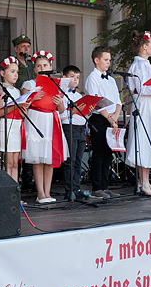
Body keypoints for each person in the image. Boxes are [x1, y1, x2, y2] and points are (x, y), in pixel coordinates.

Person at [21, 50, 67, 204]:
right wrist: (33, 97)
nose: (42, 68)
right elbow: (23, 104)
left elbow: (61, 110)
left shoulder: (56, 84)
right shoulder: (30, 84)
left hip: (51, 120)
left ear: (50, 66)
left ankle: (48, 192)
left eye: (45, 65)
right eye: (39, 66)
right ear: (34, 69)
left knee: (49, 158)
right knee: (38, 158)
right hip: (36, 119)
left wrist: (58, 101)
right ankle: (40, 193)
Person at [124, 30, 151, 197]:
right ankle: (145, 182)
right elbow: (141, 88)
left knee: (149, 140)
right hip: (145, 107)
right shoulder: (139, 66)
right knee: (145, 141)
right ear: (144, 47)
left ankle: (144, 181)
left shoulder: (146, 65)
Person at [85, 46, 123, 199]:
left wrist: (115, 117)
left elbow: (118, 101)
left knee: (109, 153)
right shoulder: (92, 78)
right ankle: (97, 187)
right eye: (106, 60)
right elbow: (95, 102)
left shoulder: (112, 80)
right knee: (99, 152)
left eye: (109, 60)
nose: (109, 63)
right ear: (97, 60)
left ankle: (105, 186)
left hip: (112, 118)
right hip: (100, 118)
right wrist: (109, 118)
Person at [0, 56, 27, 183]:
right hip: (6, 125)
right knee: (8, 162)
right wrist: (14, 107)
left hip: (17, 126)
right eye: (12, 72)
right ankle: (7, 190)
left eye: (17, 72)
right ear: (2, 73)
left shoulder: (17, 91)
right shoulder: (2, 90)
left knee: (15, 162)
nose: (15, 75)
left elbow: (20, 112)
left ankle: (15, 190)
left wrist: (23, 109)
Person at [60, 65, 87, 201]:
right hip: (69, 127)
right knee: (70, 162)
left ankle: (76, 188)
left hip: (81, 128)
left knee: (78, 161)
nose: (76, 80)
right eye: (72, 77)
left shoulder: (78, 94)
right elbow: (60, 114)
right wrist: (73, 111)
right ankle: (69, 190)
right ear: (64, 78)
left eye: (78, 78)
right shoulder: (62, 94)